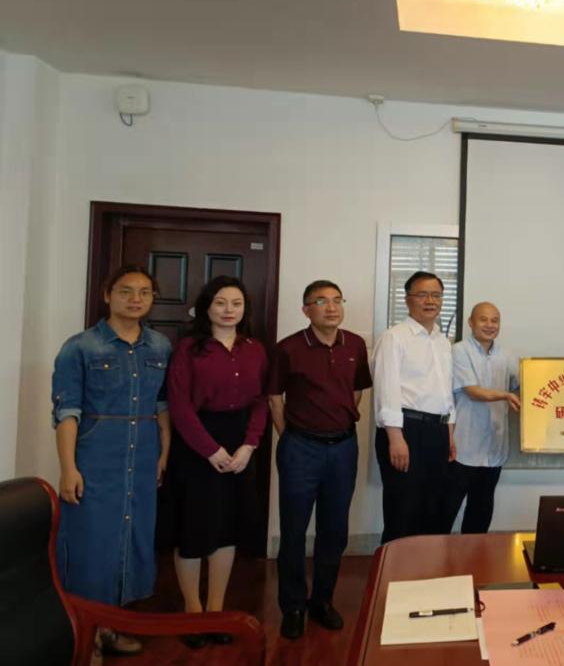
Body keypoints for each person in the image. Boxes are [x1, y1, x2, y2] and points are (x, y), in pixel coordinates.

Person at [51, 265, 172, 656]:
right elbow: (66, 412)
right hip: (95, 459)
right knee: (91, 544)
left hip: (143, 456)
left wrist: (164, 452)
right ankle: (84, 637)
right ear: (107, 295)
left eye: (145, 292)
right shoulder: (80, 347)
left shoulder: (160, 346)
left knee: (131, 539)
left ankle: (111, 627)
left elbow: (162, 406)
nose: (136, 299)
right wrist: (68, 468)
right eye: (126, 291)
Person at [166, 276, 268, 649]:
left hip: (240, 444)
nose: (229, 310)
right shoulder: (188, 349)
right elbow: (179, 405)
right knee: (194, 529)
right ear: (207, 307)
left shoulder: (255, 349)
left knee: (227, 528)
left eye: (236, 303)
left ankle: (215, 609)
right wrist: (210, 450)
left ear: (245, 309)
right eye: (221, 302)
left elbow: (260, 401)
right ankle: (192, 611)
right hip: (197, 445)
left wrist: (249, 446)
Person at [269, 280, 371, 639]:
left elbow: (356, 390)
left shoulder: (355, 344)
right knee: (294, 531)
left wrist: (337, 420)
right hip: (301, 449)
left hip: (343, 448)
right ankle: (293, 606)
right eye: (321, 301)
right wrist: (291, 437)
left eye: (337, 300)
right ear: (306, 309)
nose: (331, 307)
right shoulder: (288, 348)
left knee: (334, 530)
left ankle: (322, 601)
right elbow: (275, 398)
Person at [373, 271, 456, 543]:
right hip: (405, 431)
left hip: (437, 432)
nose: (430, 301)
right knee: (403, 511)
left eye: (436, 295)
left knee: (433, 510)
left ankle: (426, 570)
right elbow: (386, 390)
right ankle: (394, 570)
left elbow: (445, 392)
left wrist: (449, 434)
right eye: (422, 294)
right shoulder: (394, 337)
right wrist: (396, 439)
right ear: (407, 299)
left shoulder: (443, 342)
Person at [442, 302, 520, 534]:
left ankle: (474, 553)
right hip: (463, 446)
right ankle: (436, 554)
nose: (490, 325)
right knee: (446, 509)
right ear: (471, 322)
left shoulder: (506, 356)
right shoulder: (458, 351)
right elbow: (472, 391)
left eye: (495, 320)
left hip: (494, 448)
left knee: (481, 510)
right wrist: (505, 395)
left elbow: (523, 386)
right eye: (483, 319)